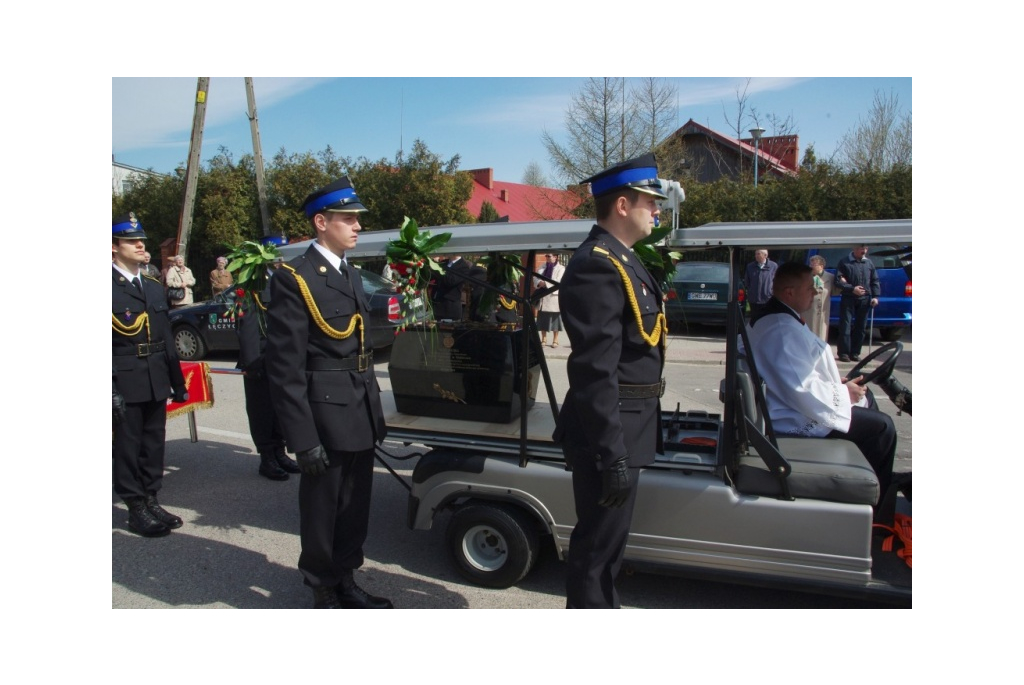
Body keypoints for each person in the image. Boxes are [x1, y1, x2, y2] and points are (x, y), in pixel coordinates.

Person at [265, 176, 392, 609]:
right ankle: (322, 586)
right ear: (321, 222)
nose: (357, 226)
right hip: (324, 414)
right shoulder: (294, 278)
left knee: (355, 506)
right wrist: (302, 438)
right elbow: (285, 367)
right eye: (348, 219)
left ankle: (346, 577)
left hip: (357, 408)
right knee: (323, 508)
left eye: (358, 219)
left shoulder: (351, 274)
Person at [553, 153, 668, 609]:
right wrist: (612, 452)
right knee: (596, 548)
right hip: (610, 431)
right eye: (649, 201)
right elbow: (593, 370)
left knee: (610, 545)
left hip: (629, 423)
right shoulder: (597, 263)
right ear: (623, 205)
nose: (656, 211)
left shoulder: (623, 258)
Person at [743, 261, 895, 499]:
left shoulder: (782, 318)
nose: (815, 292)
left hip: (789, 405)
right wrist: (844, 394)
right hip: (789, 417)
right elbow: (800, 387)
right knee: (882, 428)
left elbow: (801, 371)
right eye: (809, 288)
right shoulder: (781, 329)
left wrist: (838, 385)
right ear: (789, 292)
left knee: (870, 404)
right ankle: (878, 510)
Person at [112, 212, 188, 537]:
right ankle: (135, 506)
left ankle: (151, 497)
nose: (140, 243)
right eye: (131, 240)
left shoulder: (154, 287)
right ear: (112, 248)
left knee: (154, 442)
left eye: (140, 238)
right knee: (128, 445)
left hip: (156, 375)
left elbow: (166, 339)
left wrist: (177, 382)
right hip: (125, 379)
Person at [237, 239, 300, 482]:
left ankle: (280, 452)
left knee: (280, 409)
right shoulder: (253, 283)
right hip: (261, 360)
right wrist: (252, 362)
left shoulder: (285, 278)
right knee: (262, 409)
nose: (282, 258)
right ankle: (267, 457)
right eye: (278, 254)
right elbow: (247, 324)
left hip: (281, 357)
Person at [836, 244, 880, 362]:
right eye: (861, 248)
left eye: (866, 248)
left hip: (865, 299)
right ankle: (843, 353)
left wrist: (875, 296)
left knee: (860, 327)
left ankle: (855, 352)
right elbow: (838, 281)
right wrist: (852, 288)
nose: (864, 251)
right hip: (849, 297)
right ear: (854, 249)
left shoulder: (869, 263)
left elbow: (874, 280)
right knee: (846, 326)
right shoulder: (844, 262)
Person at [799, 254, 835, 343]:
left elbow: (835, 291)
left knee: (821, 336)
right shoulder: (805, 277)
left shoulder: (830, 277)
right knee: (808, 336)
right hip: (809, 312)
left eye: (813, 265)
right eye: (810, 265)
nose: (811, 267)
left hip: (823, 312)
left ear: (821, 266)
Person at [533, 253, 565, 347]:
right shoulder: (542, 266)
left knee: (555, 319)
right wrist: (539, 283)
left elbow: (558, 280)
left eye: (549, 256)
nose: (546, 258)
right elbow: (535, 277)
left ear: (555, 257)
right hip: (543, 296)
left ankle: (555, 340)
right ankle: (544, 339)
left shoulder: (561, 268)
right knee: (542, 319)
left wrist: (545, 283)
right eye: (546, 256)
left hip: (553, 296)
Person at [431, 254, 472, 321]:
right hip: (437, 303)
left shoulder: (463, 267)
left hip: (450, 306)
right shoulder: (444, 263)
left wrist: (438, 269)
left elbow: (450, 281)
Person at [743, 249, 777, 320]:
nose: (756, 256)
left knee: (767, 320)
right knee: (755, 320)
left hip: (768, 299)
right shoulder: (750, 266)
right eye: (755, 254)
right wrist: (751, 291)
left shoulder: (773, 266)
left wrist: (771, 292)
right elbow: (747, 281)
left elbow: (777, 281)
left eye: (758, 254)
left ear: (765, 255)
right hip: (754, 300)